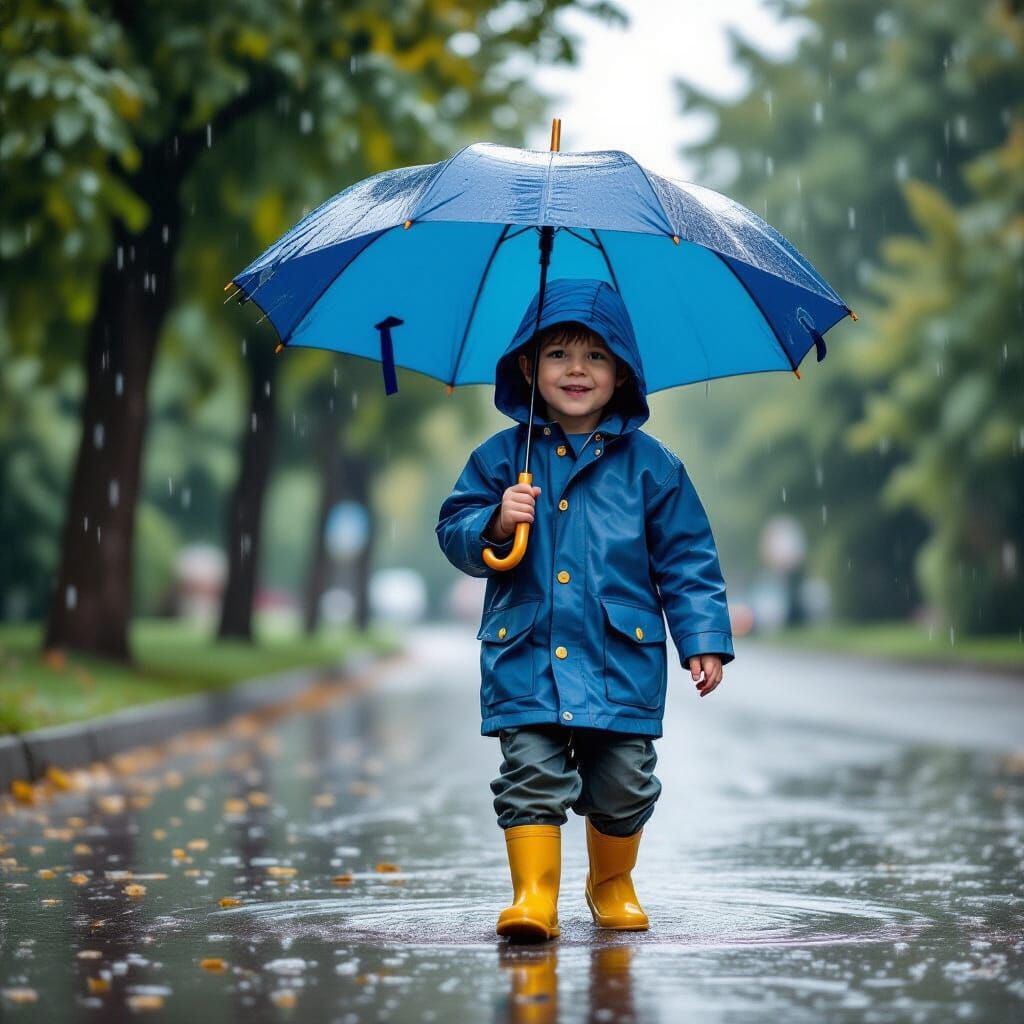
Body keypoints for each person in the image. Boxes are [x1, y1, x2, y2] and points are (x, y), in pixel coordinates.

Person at [436, 278, 734, 941]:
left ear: (621, 371)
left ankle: (611, 882)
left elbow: (687, 558)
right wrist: (493, 519)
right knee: (531, 776)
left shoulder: (654, 468)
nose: (576, 370)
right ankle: (534, 894)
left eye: (596, 356)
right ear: (525, 366)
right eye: (558, 354)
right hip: (527, 654)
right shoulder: (499, 460)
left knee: (625, 782)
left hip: (619, 658)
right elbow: (453, 529)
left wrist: (703, 639)